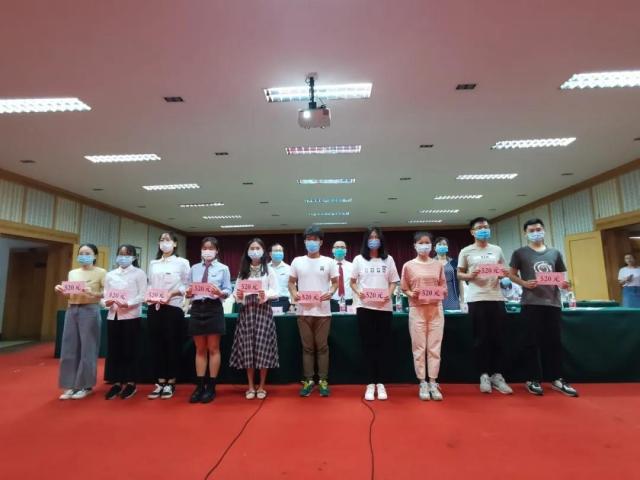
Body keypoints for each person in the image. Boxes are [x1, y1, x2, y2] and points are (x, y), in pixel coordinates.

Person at [510, 218, 579, 397]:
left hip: (553, 303)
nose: (536, 232)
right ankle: (532, 378)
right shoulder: (520, 253)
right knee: (531, 342)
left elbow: (561, 277)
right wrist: (524, 283)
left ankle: (557, 378)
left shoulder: (555, 253)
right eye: (531, 230)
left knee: (554, 342)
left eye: (538, 229)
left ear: (544, 230)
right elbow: (511, 274)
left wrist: (565, 284)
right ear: (525, 233)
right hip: (530, 303)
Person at [457, 217, 513, 395]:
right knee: (480, 339)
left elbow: (505, 271)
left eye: (486, 227)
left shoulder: (497, 249)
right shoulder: (466, 251)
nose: (484, 229)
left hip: (496, 297)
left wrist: (503, 274)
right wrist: (470, 275)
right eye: (480, 227)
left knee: (498, 337)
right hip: (476, 298)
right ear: (472, 232)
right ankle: (483, 375)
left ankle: (498, 375)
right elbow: (460, 274)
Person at [288, 226, 339, 397]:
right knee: (307, 348)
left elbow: (335, 283)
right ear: (304, 242)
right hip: (303, 311)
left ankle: (323, 380)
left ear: (321, 242)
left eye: (315, 239)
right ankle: (309, 380)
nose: (311, 242)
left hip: (323, 312)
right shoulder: (297, 261)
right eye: (308, 239)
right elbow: (291, 282)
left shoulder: (329, 262)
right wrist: (294, 293)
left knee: (322, 347)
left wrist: (331, 292)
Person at [350, 227, 399, 401]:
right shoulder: (359, 259)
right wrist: (359, 292)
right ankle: (370, 383)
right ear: (366, 240)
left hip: (384, 309)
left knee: (383, 346)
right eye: (371, 237)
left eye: (376, 237)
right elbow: (352, 282)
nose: (374, 240)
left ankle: (381, 383)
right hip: (365, 308)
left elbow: (394, 281)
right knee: (368, 346)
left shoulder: (388, 259)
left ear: (381, 240)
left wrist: (389, 294)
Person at [54, 244, 106, 400]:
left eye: (87, 253)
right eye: (81, 253)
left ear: (95, 256)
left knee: (87, 348)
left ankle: (85, 385)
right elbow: (70, 293)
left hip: (90, 310)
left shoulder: (101, 272)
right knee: (69, 347)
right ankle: (71, 385)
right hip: (72, 309)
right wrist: (61, 289)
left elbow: (107, 293)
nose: (84, 256)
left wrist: (93, 293)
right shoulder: (73, 273)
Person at [230, 238, 280, 399]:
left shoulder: (269, 270)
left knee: (262, 348)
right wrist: (238, 296)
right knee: (248, 349)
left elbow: (276, 291)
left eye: (258, 248)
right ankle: (250, 386)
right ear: (247, 252)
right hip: (247, 312)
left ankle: (262, 386)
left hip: (263, 311)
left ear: (263, 251)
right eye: (251, 248)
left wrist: (266, 294)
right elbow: (236, 294)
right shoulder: (243, 271)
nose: (255, 251)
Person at [401, 232, 447, 401]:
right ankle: (422, 382)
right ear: (415, 245)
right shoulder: (408, 265)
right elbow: (404, 288)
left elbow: (444, 288)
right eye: (420, 243)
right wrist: (411, 293)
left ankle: (433, 381)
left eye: (427, 242)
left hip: (436, 310)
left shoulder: (438, 265)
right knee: (419, 348)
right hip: (417, 310)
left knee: (434, 347)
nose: (424, 245)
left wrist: (440, 292)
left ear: (431, 246)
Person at [185, 237, 232, 403]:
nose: (207, 251)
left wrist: (220, 293)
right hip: (197, 308)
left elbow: (228, 289)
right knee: (199, 349)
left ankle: (211, 386)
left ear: (217, 251)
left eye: (211, 248)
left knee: (213, 348)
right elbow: (187, 287)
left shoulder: (223, 268)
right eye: (204, 248)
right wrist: (188, 292)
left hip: (214, 308)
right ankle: (199, 386)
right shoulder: (194, 268)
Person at [146, 232, 190, 400]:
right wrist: (148, 296)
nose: (165, 242)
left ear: (175, 244)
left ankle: (171, 381)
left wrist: (172, 293)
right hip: (154, 307)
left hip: (173, 307)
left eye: (168, 240)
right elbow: (150, 284)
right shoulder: (153, 263)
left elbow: (187, 285)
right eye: (162, 240)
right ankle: (159, 381)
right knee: (156, 344)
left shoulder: (182, 262)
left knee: (172, 344)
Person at [102, 244, 147, 400]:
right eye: (120, 254)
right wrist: (105, 302)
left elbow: (143, 295)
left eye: (127, 254)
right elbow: (105, 295)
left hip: (131, 316)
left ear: (133, 257)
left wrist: (127, 303)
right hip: (113, 316)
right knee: (114, 350)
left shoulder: (139, 273)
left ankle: (131, 383)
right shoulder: (110, 274)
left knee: (130, 350)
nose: (123, 257)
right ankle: (116, 382)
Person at [434, 237, 462, 310]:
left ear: (447, 247)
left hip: (452, 293)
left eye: (444, 244)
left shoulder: (454, 262)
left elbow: (460, 281)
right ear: (434, 248)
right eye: (439, 244)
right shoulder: (430, 263)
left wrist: (462, 300)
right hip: (435, 294)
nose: (442, 246)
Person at [331, 240, 354, 312]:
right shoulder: (328, 265)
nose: (339, 249)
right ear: (332, 250)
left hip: (349, 301)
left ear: (346, 250)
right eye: (337, 247)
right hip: (331, 301)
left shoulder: (352, 266)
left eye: (342, 247)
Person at [268, 243, 291, 312]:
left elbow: (292, 287)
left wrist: (292, 303)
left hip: (284, 302)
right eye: (276, 251)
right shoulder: (265, 268)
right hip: (268, 302)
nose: (278, 252)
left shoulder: (289, 268)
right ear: (270, 254)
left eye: (280, 251)